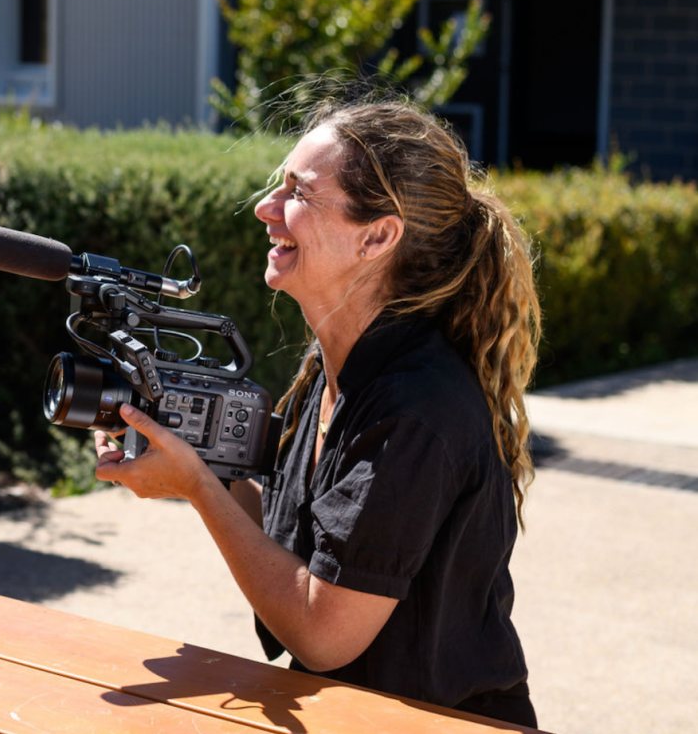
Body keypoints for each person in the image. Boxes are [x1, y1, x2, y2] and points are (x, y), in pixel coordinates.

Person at [94, 101, 540, 727]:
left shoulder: (415, 407)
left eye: (297, 193)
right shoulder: (333, 370)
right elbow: (295, 547)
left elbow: (324, 633)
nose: (265, 209)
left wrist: (197, 487)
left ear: (377, 236)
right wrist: (190, 463)